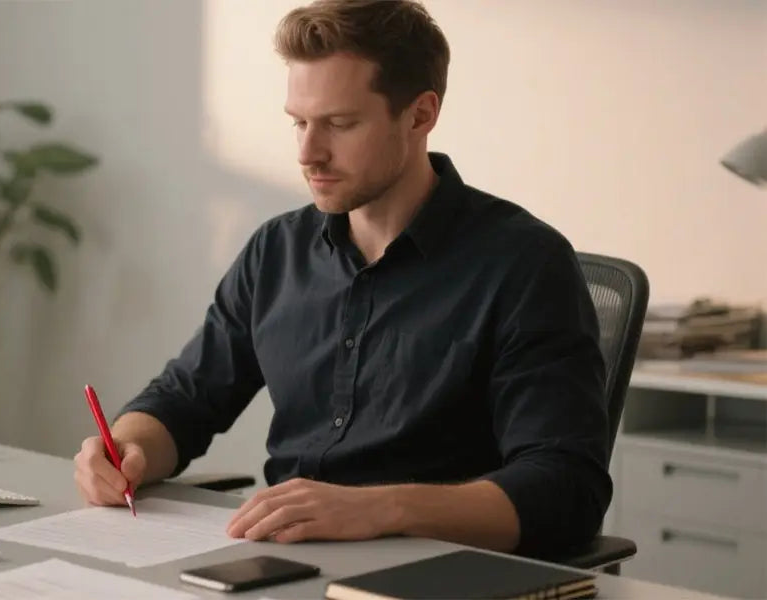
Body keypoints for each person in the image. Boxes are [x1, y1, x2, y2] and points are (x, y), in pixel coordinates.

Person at [72, 0, 609, 559]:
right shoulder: (275, 252)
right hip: (287, 563)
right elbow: (183, 400)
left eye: (340, 124)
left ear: (421, 115)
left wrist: (380, 509)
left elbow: (565, 489)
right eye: (299, 122)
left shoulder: (524, 263)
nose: (307, 152)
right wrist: (126, 449)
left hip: (437, 575)